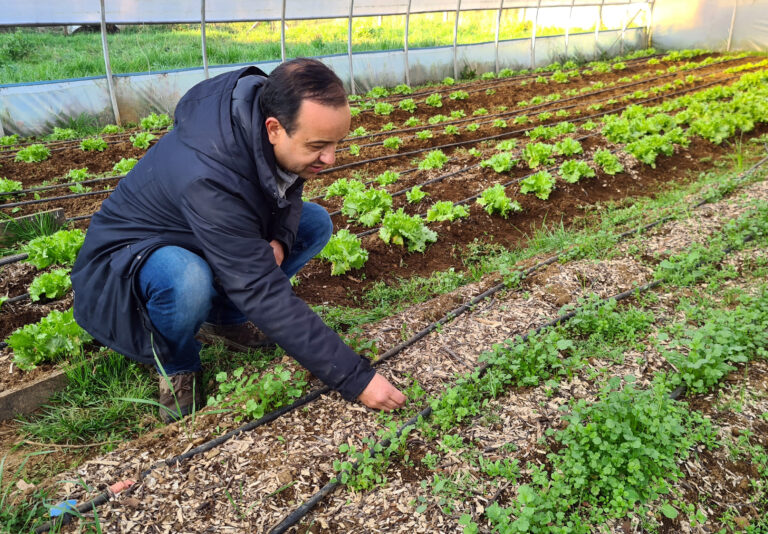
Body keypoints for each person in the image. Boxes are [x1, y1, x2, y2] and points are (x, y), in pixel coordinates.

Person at [71, 58, 406, 422]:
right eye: (319, 145)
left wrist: (279, 238)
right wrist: (356, 379)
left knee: (313, 223)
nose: (330, 157)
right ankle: (177, 362)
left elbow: (287, 192)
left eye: (337, 143)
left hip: (196, 233)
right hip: (126, 261)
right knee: (188, 278)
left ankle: (227, 321)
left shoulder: (262, 128)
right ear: (274, 128)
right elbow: (260, 290)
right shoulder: (209, 174)